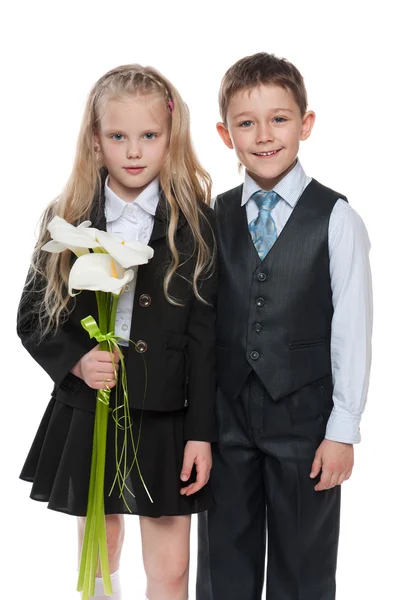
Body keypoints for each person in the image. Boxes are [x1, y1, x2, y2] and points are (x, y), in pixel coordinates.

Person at [17, 63, 217, 600]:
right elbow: (33, 317)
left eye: (149, 135)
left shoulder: (196, 222)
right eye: (118, 136)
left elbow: (205, 337)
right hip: (94, 403)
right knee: (98, 547)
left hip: (168, 412)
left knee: (172, 565)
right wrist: (79, 359)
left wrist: (201, 431)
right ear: (95, 141)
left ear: (170, 138)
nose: (134, 151)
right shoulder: (68, 217)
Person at [197, 52, 372, 600]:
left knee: (304, 568)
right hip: (226, 422)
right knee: (223, 566)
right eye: (246, 123)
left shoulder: (336, 218)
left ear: (306, 124)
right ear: (226, 134)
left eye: (279, 118)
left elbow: (353, 327)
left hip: (305, 422)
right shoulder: (211, 217)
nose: (264, 135)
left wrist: (343, 429)